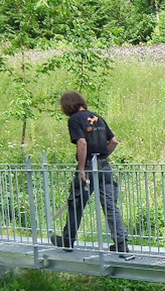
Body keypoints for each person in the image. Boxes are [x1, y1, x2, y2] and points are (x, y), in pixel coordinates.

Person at [50, 91, 130, 254]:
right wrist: (102, 158)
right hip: (104, 167)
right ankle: (121, 243)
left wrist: (82, 168)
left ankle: (67, 241)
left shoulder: (74, 120)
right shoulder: (97, 117)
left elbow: (82, 143)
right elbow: (113, 142)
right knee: (109, 205)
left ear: (67, 106)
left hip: (87, 167)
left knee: (76, 204)